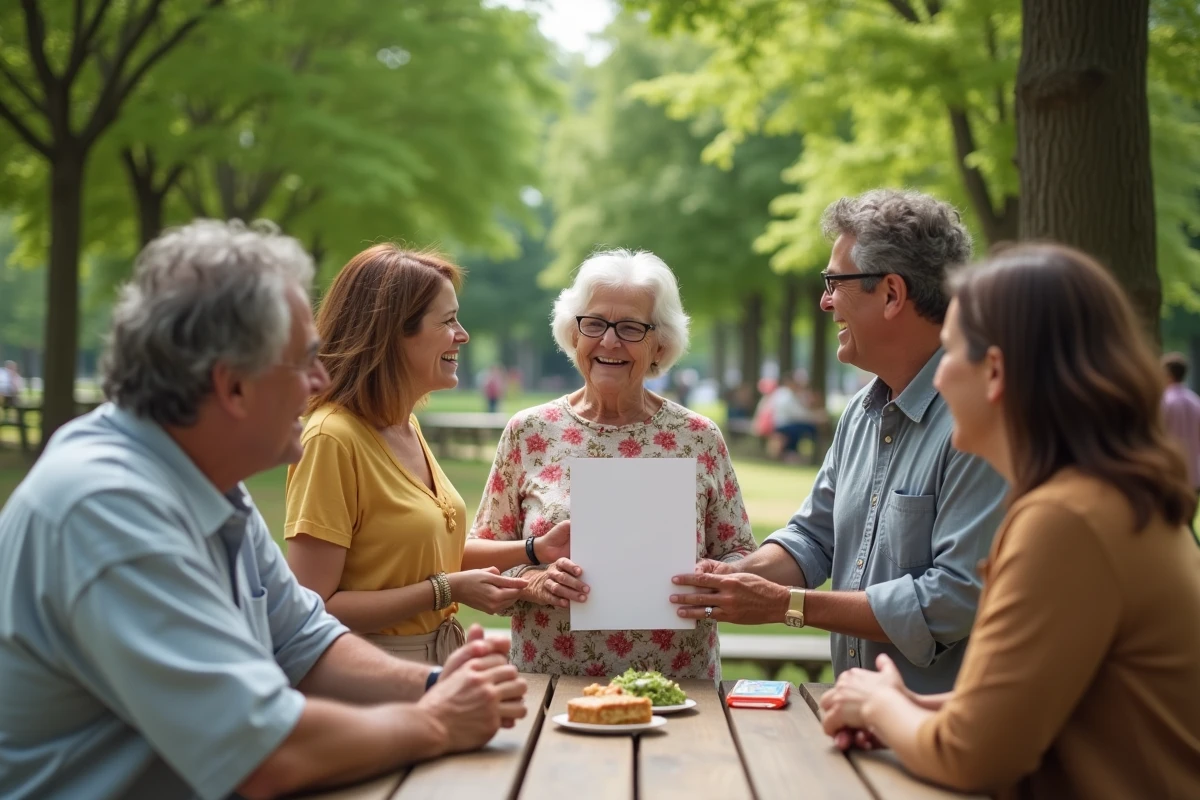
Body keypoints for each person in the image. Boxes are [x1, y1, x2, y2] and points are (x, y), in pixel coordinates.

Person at [0, 221, 528, 800]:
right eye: (304, 361)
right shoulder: (106, 509)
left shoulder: (203, 482)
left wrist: (436, 683)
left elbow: (304, 637)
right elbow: (260, 751)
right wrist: (436, 720)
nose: (321, 380)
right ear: (233, 388)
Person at [818, 243, 1200, 799]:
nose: (940, 379)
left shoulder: (1066, 521)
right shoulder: (1104, 501)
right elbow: (1046, 702)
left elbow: (972, 756)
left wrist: (879, 703)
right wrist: (906, 708)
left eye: (949, 353)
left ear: (994, 371)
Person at [670, 189, 1008, 693]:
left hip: (941, 741)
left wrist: (788, 606)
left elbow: (954, 600)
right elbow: (813, 538)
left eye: (834, 282)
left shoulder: (978, 422)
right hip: (866, 723)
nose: (825, 300)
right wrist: (734, 576)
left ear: (892, 294)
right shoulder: (860, 413)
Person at [468, 248, 757, 680]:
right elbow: (477, 557)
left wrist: (714, 575)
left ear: (660, 342)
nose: (609, 341)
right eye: (595, 323)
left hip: (678, 689)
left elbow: (740, 553)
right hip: (552, 688)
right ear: (574, 332)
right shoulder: (529, 432)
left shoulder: (699, 437)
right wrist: (534, 579)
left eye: (629, 327)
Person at [284, 245, 565, 665]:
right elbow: (313, 608)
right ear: (392, 332)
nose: (463, 334)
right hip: (368, 678)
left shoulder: (404, 425)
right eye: (448, 320)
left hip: (435, 666)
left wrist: (535, 550)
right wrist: (446, 590)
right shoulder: (332, 439)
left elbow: (430, 552)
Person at [1161, 352, 1200, 525]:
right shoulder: (1195, 401)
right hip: (1194, 473)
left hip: (1170, 474)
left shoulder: (1164, 402)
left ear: (1167, 375)